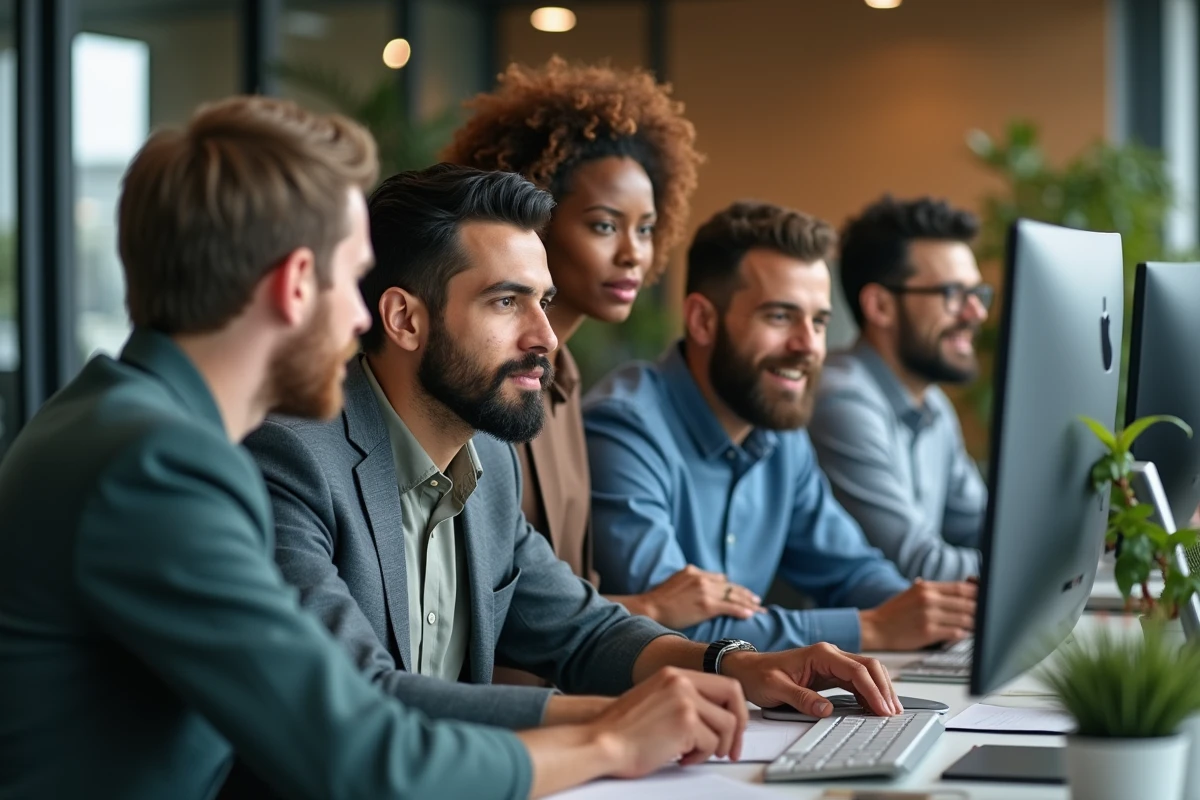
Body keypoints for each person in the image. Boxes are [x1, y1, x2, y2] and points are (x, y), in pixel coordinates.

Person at [0, 97, 777, 800]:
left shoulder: (132, 427)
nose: (359, 316)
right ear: (296, 284)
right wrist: (612, 738)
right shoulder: (158, 464)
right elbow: (359, 749)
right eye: (353, 278)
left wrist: (712, 672)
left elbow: (558, 636)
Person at [244, 163, 902, 741]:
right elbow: (357, 698)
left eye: (544, 302)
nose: (546, 338)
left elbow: (586, 630)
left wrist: (737, 664)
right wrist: (611, 724)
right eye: (506, 302)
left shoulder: (488, 464)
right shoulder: (292, 459)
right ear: (405, 319)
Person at [440, 57, 762, 630]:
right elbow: (483, 606)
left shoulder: (563, 380)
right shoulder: (481, 380)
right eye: (605, 225)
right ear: (535, 224)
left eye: (646, 229)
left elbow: (563, 588)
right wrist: (652, 608)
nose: (634, 254)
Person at [584, 200, 979, 655]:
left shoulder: (779, 431)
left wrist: (927, 615)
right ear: (702, 320)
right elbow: (669, 631)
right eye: (779, 316)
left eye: (819, 321)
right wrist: (871, 629)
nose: (808, 345)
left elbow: (850, 570)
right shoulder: (625, 428)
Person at [810, 195, 990, 582]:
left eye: (978, 294)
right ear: (880, 306)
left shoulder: (933, 405)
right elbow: (917, 568)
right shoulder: (840, 402)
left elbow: (982, 528)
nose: (977, 312)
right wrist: (1038, 567)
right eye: (953, 294)